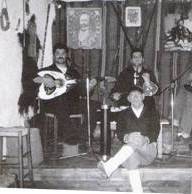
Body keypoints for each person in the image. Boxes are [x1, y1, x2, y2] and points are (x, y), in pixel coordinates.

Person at [97, 87, 160, 192]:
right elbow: (119, 132)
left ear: (143, 97)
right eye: (132, 95)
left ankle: (110, 165)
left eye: (138, 95)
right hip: (129, 154)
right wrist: (126, 137)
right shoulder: (123, 114)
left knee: (137, 139)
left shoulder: (152, 112)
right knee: (132, 159)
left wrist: (146, 139)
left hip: (148, 151)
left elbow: (155, 131)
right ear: (128, 99)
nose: (135, 97)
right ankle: (138, 191)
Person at [33, 43, 93, 145]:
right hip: (53, 104)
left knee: (93, 104)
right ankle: (70, 135)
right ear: (53, 55)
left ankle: (83, 135)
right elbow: (33, 79)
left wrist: (90, 87)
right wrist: (44, 79)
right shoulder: (46, 70)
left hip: (72, 104)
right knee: (61, 100)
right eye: (57, 53)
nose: (60, 56)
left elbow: (82, 92)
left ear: (66, 55)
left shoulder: (74, 73)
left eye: (63, 53)